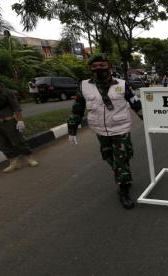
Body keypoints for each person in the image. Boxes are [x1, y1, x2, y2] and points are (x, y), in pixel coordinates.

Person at [67, 53, 143, 209]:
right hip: (100, 130)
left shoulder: (122, 84)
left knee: (121, 159)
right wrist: (72, 128)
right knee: (109, 157)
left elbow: (136, 104)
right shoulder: (84, 86)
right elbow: (78, 108)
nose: (98, 69)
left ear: (109, 66)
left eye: (102, 65)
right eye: (94, 67)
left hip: (120, 129)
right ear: (90, 69)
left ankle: (123, 190)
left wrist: (149, 122)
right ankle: (122, 175)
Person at [0, 71, 38, 173]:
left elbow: (16, 107)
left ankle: (30, 158)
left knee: (18, 140)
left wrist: (20, 120)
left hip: (7, 121)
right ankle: (14, 162)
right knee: (1, 144)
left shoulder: (6, 92)